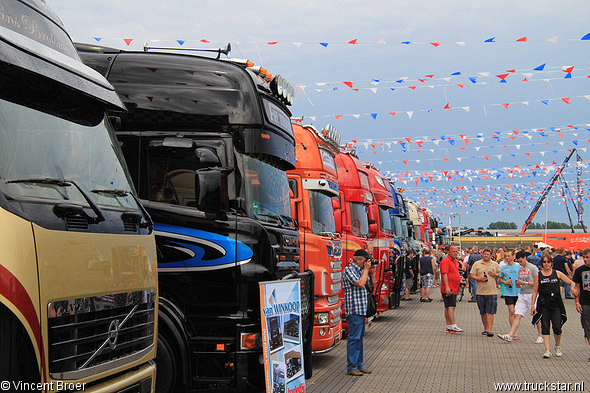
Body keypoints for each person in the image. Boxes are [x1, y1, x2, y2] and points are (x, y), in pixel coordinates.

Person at [531, 255, 578, 359]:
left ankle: (558, 346)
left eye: (548, 262)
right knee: (545, 326)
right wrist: (532, 305)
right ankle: (547, 350)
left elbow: (571, 282)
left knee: (557, 326)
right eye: (544, 262)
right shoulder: (538, 275)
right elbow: (535, 291)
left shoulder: (557, 273)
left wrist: (573, 289)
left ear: (551, 263)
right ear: (541, 263)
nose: (546, 264)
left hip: (556, 303)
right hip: (543, 304)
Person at [498, 250, 543, 343]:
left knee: (536, 314)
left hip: (531, 293)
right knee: (517, 314)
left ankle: (540, 335)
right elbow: (519, 282)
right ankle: (511, 334)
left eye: (521, 261)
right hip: (522, 293)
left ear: (525, 258)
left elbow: (538, 282)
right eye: (518, 261)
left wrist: (525, 283)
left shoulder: (533, 268)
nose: (519, 263)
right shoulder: (520, 268)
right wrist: (518, 284)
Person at [343, 249, 373, 376]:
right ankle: (351, 366)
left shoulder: (361, 271)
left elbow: (371, 285)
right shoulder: (349, 270)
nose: (367, 263)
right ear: (359, 260)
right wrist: (366, 270)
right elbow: (360, 284)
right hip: (354, 309)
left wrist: (372, 272)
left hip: (361, 309)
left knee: (360, 338)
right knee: (354, 338)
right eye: (365, 260)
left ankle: (359, 364)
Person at [470, 249, 501, 337]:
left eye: (488, 254)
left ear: (491, 255)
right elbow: (471, 275)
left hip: (492, 291)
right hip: (480, 291)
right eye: (484, 254)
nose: (486, 255)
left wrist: (495, 275)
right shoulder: (477, 264)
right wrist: (480, 279)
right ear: (482, 255)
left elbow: (500, 273)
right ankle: (485, 328)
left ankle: (489, 330)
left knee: (490, 311)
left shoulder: (495, 264)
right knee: (483, 311)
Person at [440, 245, 464, 333]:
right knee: (451, 306)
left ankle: (449, 325)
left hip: (454, 287)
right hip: (449, 287)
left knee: (449, 306)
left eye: (456, 251)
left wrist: (461, 282)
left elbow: (457, 273)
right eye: (453, 251)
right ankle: (452, 324)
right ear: (448, 252)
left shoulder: (455, 261)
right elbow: (444, 274)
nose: (455, 253)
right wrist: (447, 287)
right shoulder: (446, 261)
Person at [572, 248, 590, 361]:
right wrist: (577, 302)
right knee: (587, 328)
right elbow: (577, 287)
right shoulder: (580, 271)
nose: (585, 259)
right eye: (584, 257)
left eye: (587, 257)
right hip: (585, 302)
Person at [498, 250, 519, 327]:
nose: (507, 257)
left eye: (508, 256)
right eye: (506, 256)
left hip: (517, 291)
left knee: (517, 313)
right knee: (511, 311)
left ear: (513, 256)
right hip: (508, 292)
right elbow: (500, 279)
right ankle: (513, 332)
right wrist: (505, 282)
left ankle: (514, 328)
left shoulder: (518, 266)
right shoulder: (503, 267)